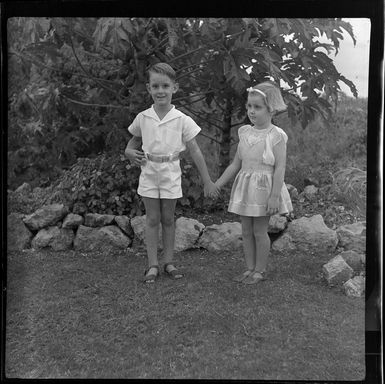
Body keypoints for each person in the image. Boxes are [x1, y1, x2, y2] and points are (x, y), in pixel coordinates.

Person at [124, 62, 219, 283]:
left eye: (165, 86)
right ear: (149, 88)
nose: (160, 91)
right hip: (148, 172)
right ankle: (152, 265)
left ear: (174, 88)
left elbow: (195, 150)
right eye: (155, 86)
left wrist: (207, 180)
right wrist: (129, 151)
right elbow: (133, 142)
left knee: (168, 219)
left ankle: (168, 262)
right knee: (152, 218)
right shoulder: (143, 117)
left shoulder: (182, 120)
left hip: (170, 172)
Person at [212, 82, 293, 284]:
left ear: (271, 109)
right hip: (246, 188)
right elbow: (235, 164)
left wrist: (274, 196)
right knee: (246, 231)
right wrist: (218, 183)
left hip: (265, 190)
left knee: (259, 231)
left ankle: (260, 270)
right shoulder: (245, 133)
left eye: (257, 107)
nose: (251, 111)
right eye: (249, 106)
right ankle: (249, 268)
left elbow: (280, 168)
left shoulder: (276, 136)